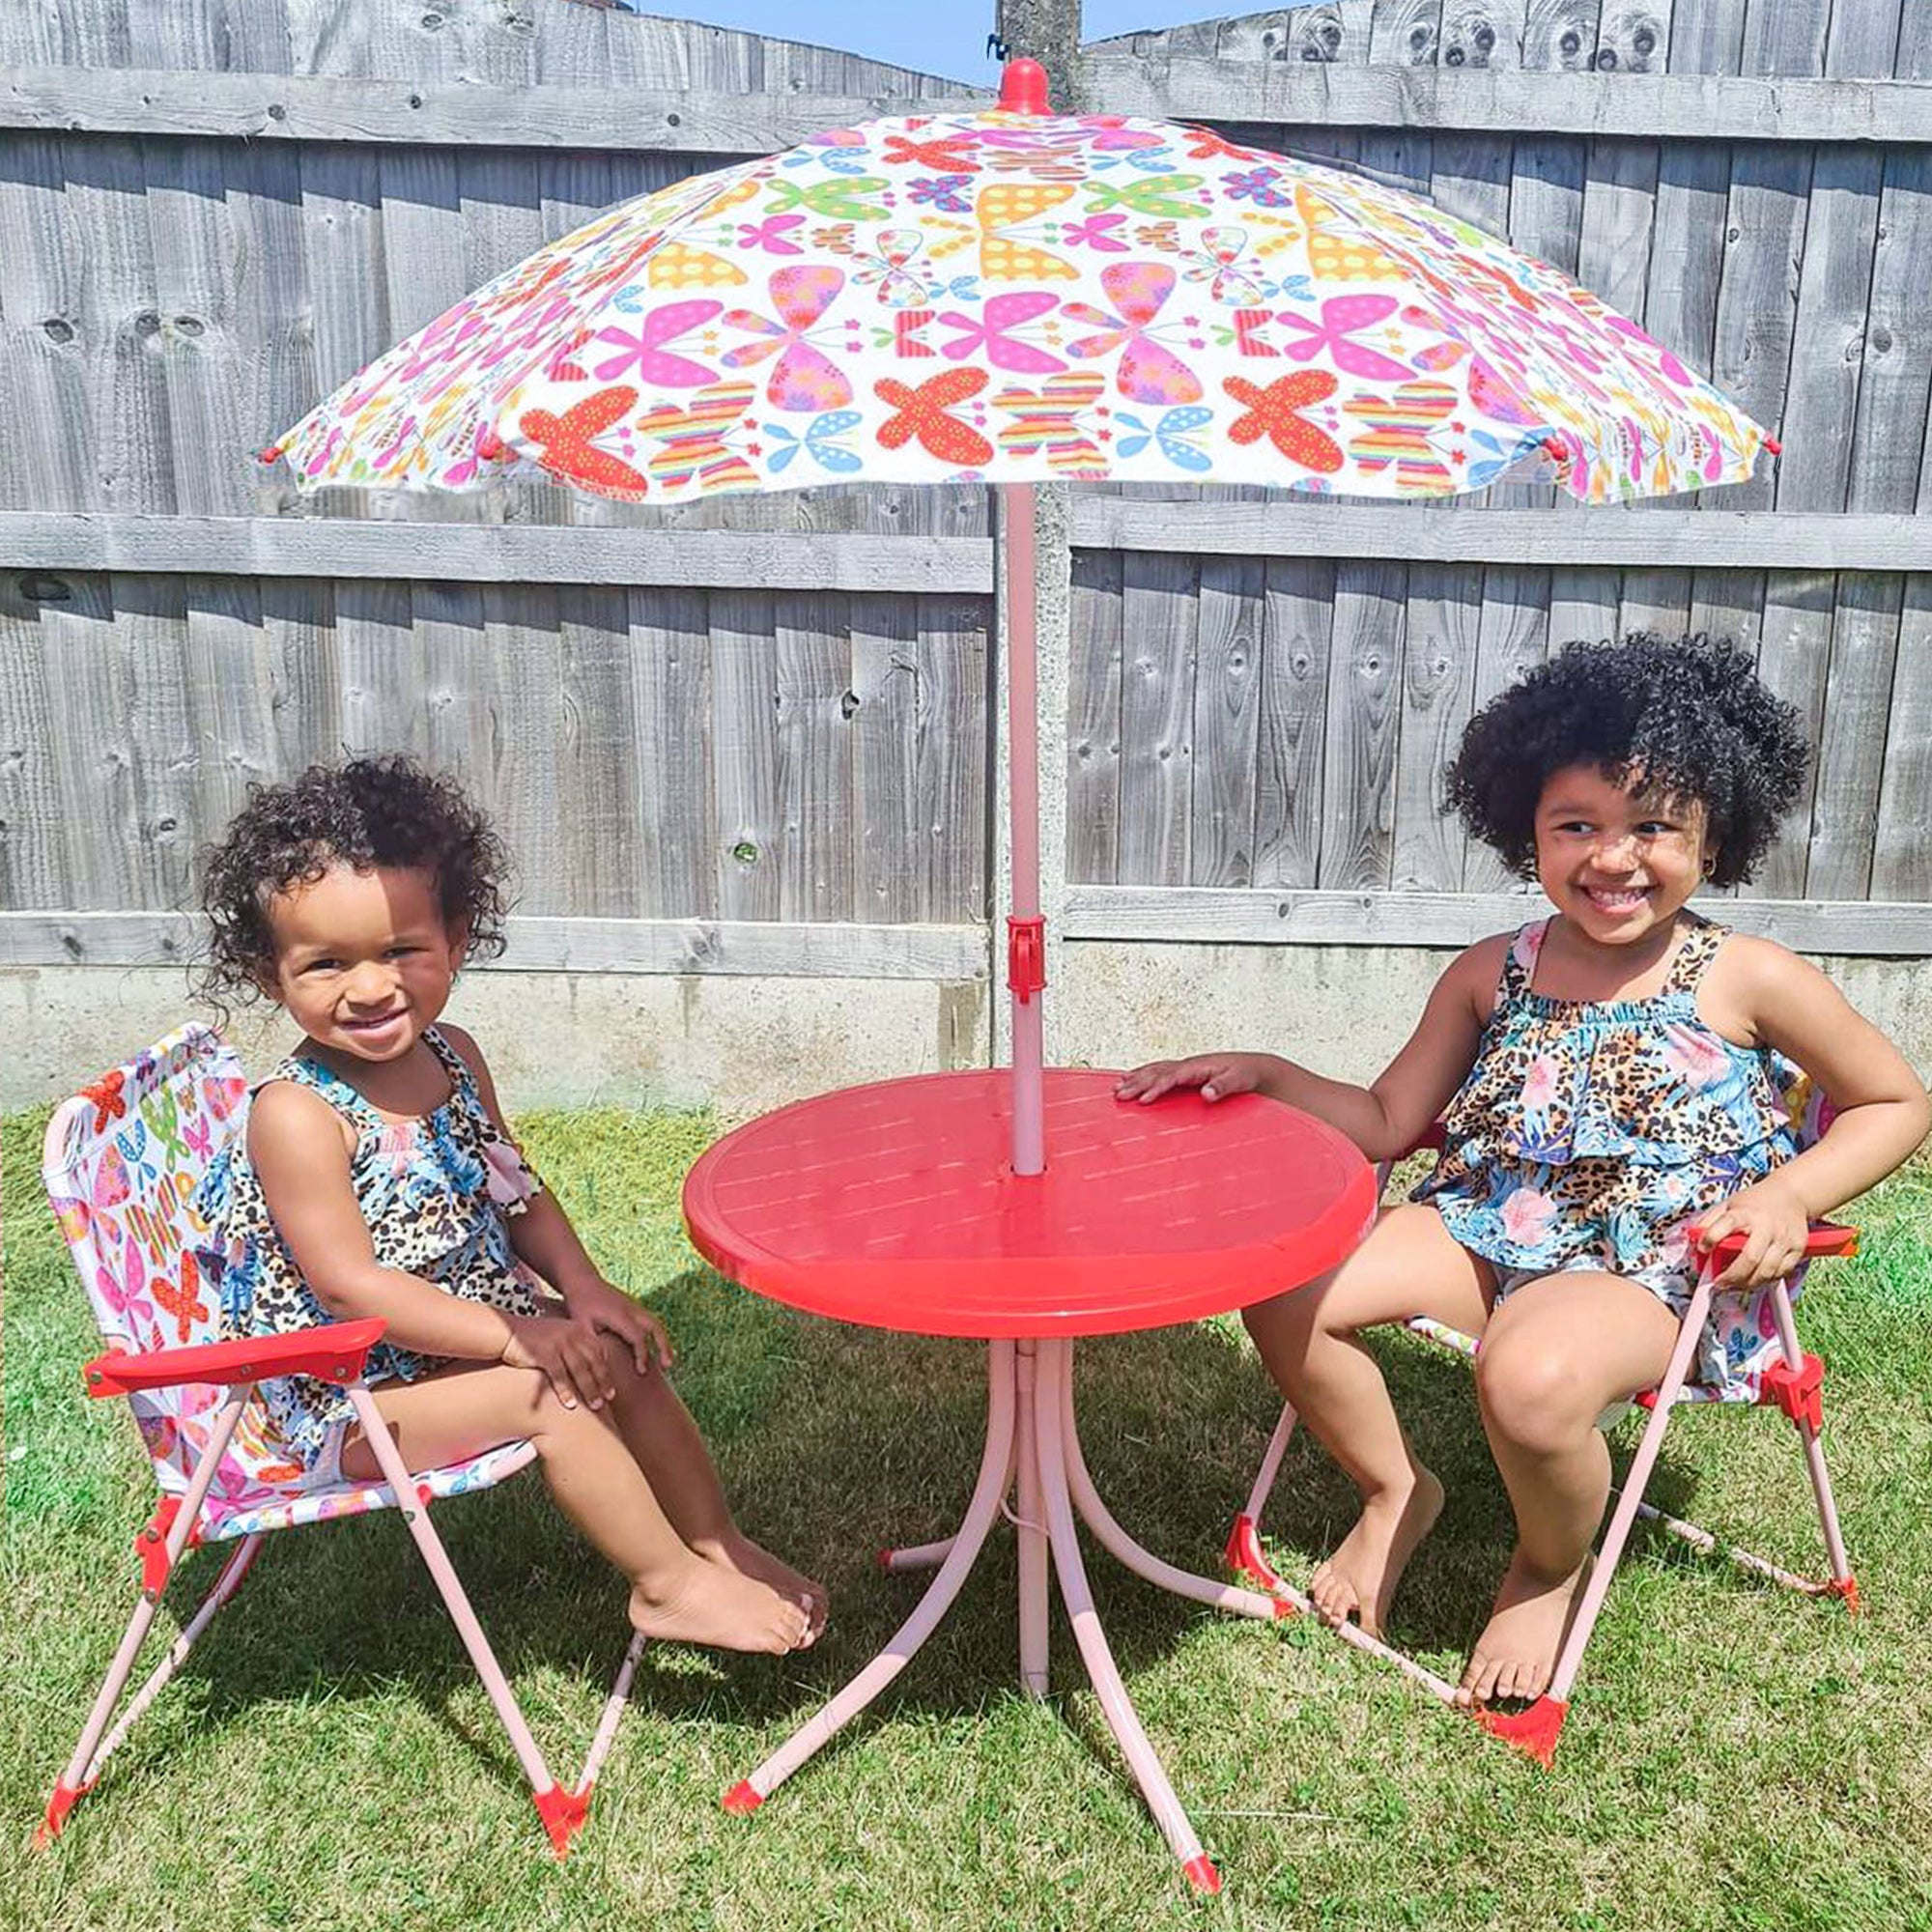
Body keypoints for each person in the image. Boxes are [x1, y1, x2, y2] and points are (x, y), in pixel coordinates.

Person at [1118, 636, 1928, 1707]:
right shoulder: (1491, 970)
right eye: (1576, 825)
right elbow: (1384, 1119)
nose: (1613, 858)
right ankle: (1395, 1489)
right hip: (1491, 1223)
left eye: (1653, 826)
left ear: (1714, 833)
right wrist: (1267, 1073)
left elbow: (1895, 1102)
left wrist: (1787, 1194)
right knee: (1284, 1279)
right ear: (1526, 830)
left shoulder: (1748, 976)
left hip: (1659, 1267)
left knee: (1528, 1377)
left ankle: (1548, 1563)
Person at [195, 754, 824, 1656]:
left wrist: (583, 1287)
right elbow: (349, 1289)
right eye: (326, 964)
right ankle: (668, 1588)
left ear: (455, 938)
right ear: (270, 973)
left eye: (400, 951)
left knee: (618, 1354)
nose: (369, 988)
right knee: (548, 1394)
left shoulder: (452, 1055)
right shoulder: (297, 1115)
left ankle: (715, 1541)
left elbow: (512, 1186)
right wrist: (515, 1336)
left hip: (453, 1351)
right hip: (354, 1403)